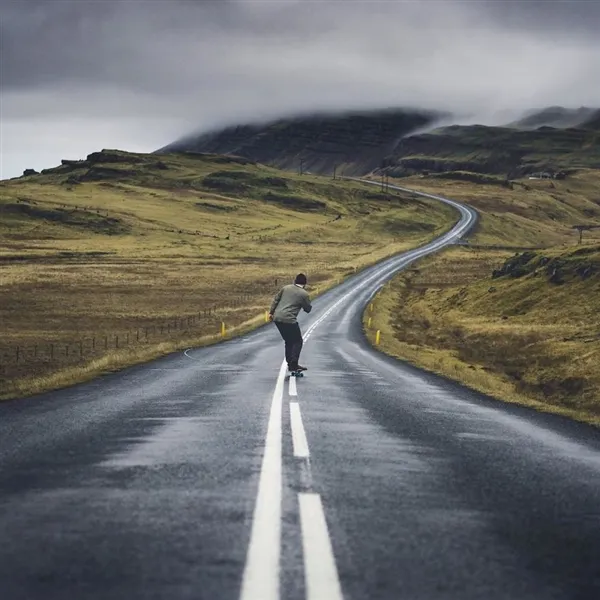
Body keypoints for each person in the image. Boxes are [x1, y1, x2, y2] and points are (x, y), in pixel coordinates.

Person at [269, 273, 312, 372]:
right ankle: (294, 363)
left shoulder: (286, 288)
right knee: (298, 341)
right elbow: (308, 309)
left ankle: (290, 364)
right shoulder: (304, 294)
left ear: (295, 281)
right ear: (305, 283)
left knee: (288, 341)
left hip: (277, 318)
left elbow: (276, 300)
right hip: (289, 319)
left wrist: (271, 312)